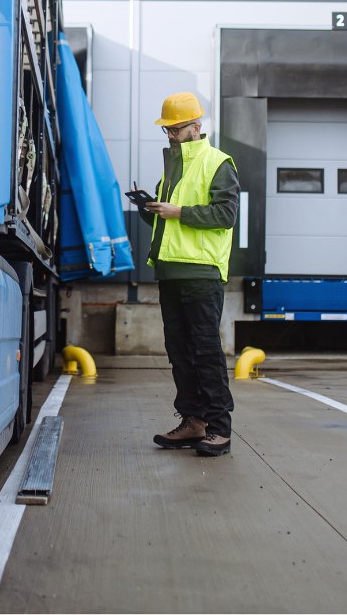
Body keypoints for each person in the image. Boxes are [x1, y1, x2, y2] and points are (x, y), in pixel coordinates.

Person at [137, 92, 240, 457]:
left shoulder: (218, 163)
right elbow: (170, 222)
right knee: (179, 351)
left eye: (175, 129)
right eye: (167, 130)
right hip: (171, 273)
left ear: (197, 126)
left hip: (202, 273)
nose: (170, 135)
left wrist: (178, 211)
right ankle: (193, 421)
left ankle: (219, 429)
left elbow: (225, 215)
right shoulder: (172, 167)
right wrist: (150, 210)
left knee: (205, 351)